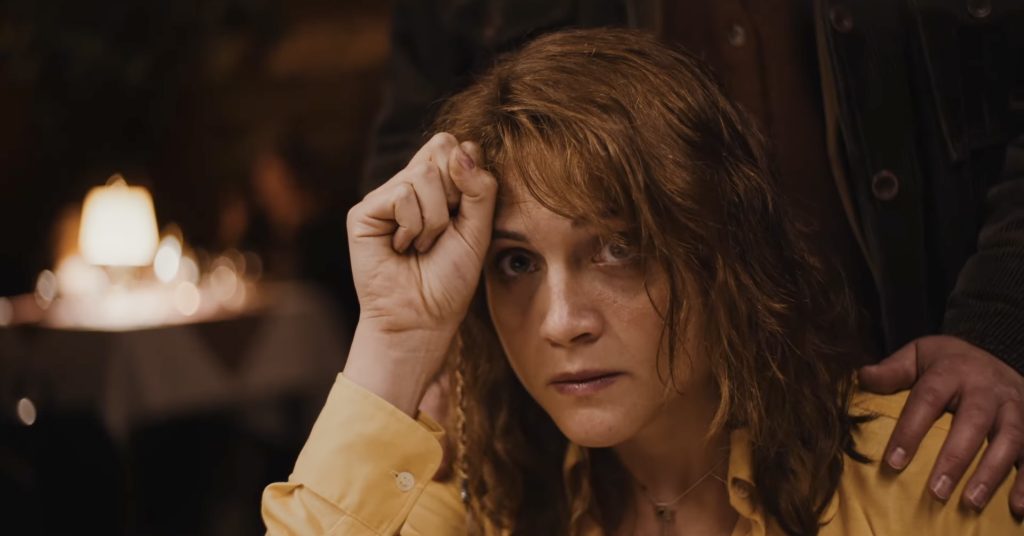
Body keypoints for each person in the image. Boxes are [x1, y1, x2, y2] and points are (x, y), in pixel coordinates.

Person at [262, 29, 1018, 534]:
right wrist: (396, 340)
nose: (562, 321)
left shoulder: (930, 477)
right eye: (517, 263)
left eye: (620, 248)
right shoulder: (482, 507)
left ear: (724, 252)